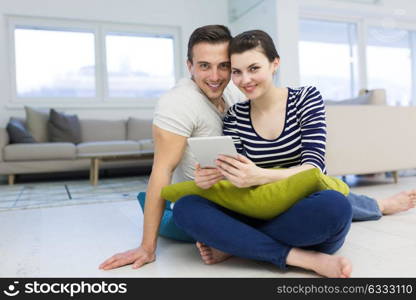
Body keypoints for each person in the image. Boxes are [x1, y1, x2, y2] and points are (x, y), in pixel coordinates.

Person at [98, 25, 416, 273]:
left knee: (334, 207)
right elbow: (173, 173)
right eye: (234, 71)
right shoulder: (224, 111)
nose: (231, 78)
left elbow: (314, 169)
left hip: (287, 203)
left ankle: (237, 245)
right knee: (186, 209)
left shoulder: (285, 97)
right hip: (252, 205)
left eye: (231, 67)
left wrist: (255, 177)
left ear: (274, 64)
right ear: (190, 66)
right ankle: (301, 259)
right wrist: (148, 244)